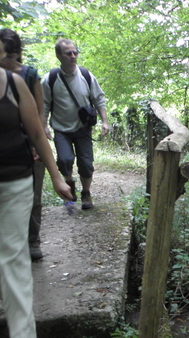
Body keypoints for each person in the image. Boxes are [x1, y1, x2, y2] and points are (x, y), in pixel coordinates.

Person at [0, 15, 73, 338]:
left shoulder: (13, 83)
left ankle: (24, 335)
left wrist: (56, 176)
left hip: (14, 179)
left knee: (12, 251)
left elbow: (37, 132)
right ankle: (11, 303)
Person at [0, 28, 46, 261]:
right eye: (1, 54)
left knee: (33, 197)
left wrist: (38, 143)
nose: (6, 60)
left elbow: (39, 113)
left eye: (11, 55)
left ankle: (32, 241)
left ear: (18, 53)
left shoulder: (29, 75)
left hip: (28, 144)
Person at [42, 38, 110, 210]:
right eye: (68, 53)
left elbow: (99, 99)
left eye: (75, 52)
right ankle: (69, 182)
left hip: (83, 128)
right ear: (59, 55)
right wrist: (44, 126)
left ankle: (86, 193)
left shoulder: (86, 76)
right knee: (65, 160)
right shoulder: (50, 79)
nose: (73, 56)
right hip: (61, 129)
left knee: (86, 164)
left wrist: (104, 121)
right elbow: (44, 105)